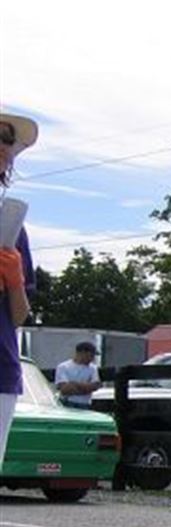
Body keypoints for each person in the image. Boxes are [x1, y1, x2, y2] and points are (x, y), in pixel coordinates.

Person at [0, 111, 37, 466]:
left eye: (7, 139)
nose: (1, 145)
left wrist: (13, 281)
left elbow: (19, 316)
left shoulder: (13, 228)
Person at [55, 342, 102, 408]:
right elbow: (64, 389)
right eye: (90, 356)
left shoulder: (93, 368)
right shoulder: (63, 367)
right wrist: (86, 388)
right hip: (67, 403)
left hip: (85, 404)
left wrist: (74, 384)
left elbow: (95, 386)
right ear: (82, 353)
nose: (92, 359)